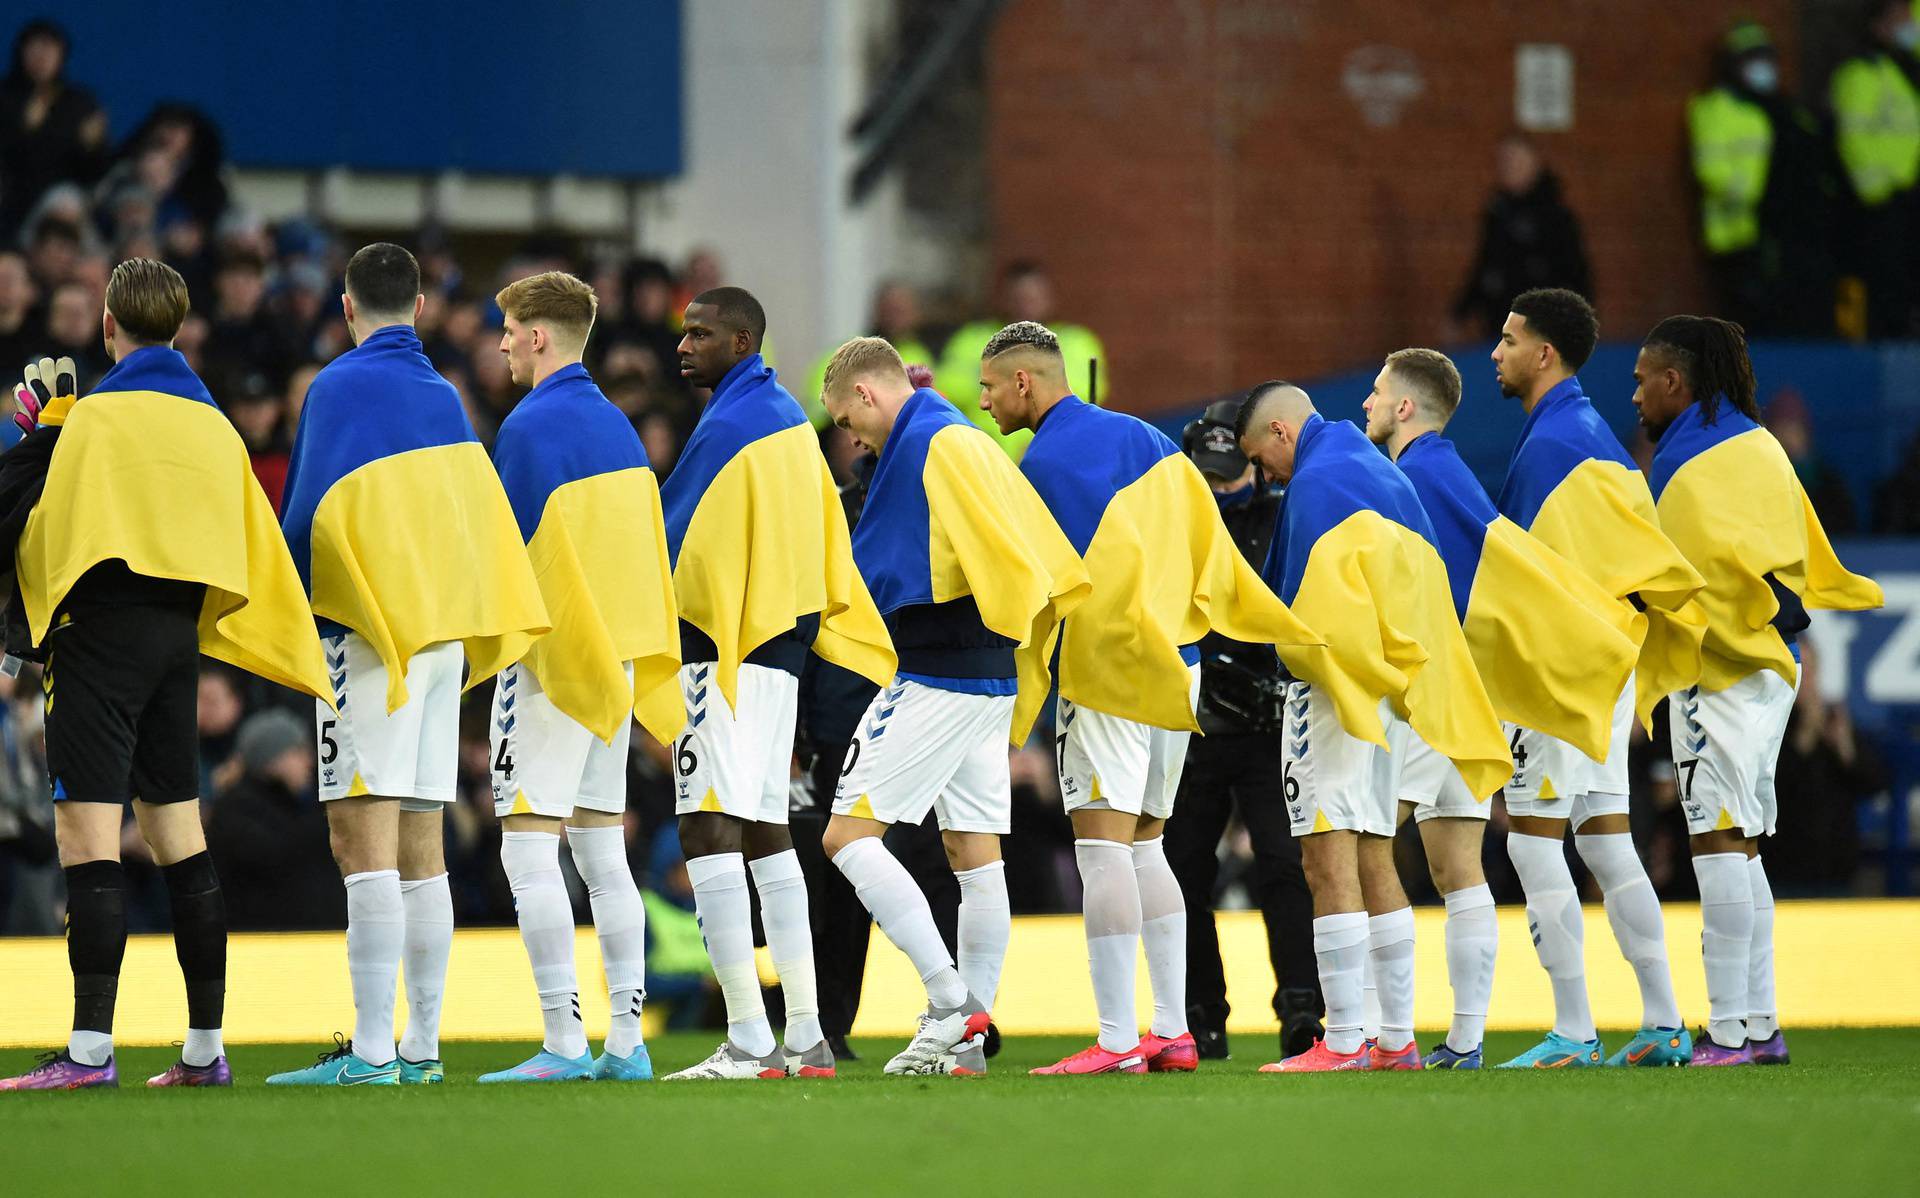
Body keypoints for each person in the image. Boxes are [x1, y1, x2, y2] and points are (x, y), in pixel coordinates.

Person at [0, 258, 332, 1091]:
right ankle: (203, 1050)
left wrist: (39, 438)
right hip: (175, 643)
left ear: (109, 327)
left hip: (97, 636)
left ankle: (87, 1051)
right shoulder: (215, 426)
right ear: (179, 327)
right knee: (180, 836)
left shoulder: (95, 422)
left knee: (87, 842)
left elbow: (24, 527)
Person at [977, 321, 1324, 1076]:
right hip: (1180, 664)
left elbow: (1037, 583)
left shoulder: (1049, 461)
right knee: (1147, 846)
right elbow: (1213, 553)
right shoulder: (1151, 440)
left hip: (1112, 669)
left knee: (1102, 849)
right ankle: (1171, 1029)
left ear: (1025, 382)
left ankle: (1115, 1038)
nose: (985, 403)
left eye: (990, 386)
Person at [267, 243, 549, 1087]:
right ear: (421, 306)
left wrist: (290, 616)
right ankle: (421, 1049)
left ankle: (370, 1052)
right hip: (442, 643)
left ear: (347, 309)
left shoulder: (336, 388)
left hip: (372, 640)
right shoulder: (445, 396)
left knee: (361, 838)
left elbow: (310, 515)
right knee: (423, 843)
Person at [1362, 348, 1642, 1068]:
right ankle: (1463, 1039)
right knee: (1459, 868)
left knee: (1361, 849)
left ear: (1404, 409)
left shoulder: (1414, 475)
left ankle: (1370, 1033)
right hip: (1465, 690)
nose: (1365, 403)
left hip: (1431, 690)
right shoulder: (1445, 470)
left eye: (1376, 393)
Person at [816, 336, 1087, 1076]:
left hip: (942, 672)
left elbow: (992, 556)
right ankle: (966, 1043)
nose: (850, 436)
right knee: (974, 854)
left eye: (846, 419)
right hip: (985, 674)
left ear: (868, 395)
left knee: (845, 838)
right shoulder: (942, 436)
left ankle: (950, 1003)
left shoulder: (938, 443)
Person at [653, 286, 895, 1080]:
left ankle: (752, 1039)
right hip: (778, 655)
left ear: (743, 339)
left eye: (701, 334)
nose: (685, 346)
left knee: (706, 828)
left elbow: (682, 539)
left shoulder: (734, 421)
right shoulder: (786, 418)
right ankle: (804, 1035)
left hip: (723, 654)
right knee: (765, 830)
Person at [1235, 382, 1509, 1073]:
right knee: (1372, 853)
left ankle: (1346, 1039)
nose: (1265, 475)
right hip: (1394, 691)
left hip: (1337, 690)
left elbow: (1307, 611)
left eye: (1260, 458)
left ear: (1279, 431)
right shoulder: (1373, 468)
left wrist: (1303, 668)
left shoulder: (1319, 483)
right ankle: (1393, 1040)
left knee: (1325, 857)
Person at [1632, 315, 1882, 1064]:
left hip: (1723, 669)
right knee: (1740, 849)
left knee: (1717, 843)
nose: (1635, 392)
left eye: (1644, 377)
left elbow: (1680, 573)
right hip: (1767, 664)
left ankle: (1731, 1028)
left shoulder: (1693, 462)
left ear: (1677, 382)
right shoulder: (1757, 444)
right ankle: (1760, 1024)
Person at [1492, 287, 1708, 1068]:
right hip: (1607, 663)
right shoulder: (1586, 433)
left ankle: (1574, 1029)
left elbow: (1524, 575)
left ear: (1544, 353)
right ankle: (1663, 1022)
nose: (1496, 353)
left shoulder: (1554, 447)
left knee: (1532, 839)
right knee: (1607, 839)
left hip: (1565, 667)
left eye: (1509, 341)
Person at [475, 271, 683, 1084]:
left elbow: (505, 560)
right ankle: (626, 1045)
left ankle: (563, 1042)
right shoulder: (620, 430)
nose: (499, 344)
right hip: (615, 668)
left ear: (538, 337)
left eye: (509, 329)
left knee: (529, 855)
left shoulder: (528, 429)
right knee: (604, 859)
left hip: (553, 671)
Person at [1161, 398, 1322, 1062]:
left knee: (1285, 867)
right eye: (1209, 476)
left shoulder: (1284, 517)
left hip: (1265, 721)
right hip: (1195, 723)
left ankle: (1303, 1010)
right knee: (1179, 869)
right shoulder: (1175, 527)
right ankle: (1199, 1014)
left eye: (1230, 475)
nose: (1220, 488)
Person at [1688, 21, 1844, 336]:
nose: (1761, 67)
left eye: (1765, 57)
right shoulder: (1716, 108)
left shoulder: (1787, 110)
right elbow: (1712, 171)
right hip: (1743, 236)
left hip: (1794, 235)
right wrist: (1757, 198)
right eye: (1750, 59)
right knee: (1754, 320)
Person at [938, 263, 1107, 458]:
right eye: (1018, 298)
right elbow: (950, 387)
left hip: (1051, 454)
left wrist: (996, 382)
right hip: (981, 455)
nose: (1025, 304)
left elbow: (1082, 392)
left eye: (1032, 298)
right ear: (1004, 300)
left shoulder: (1076, 341)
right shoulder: (973, 338)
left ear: (1049, 299)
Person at [204, 709, 343, 931]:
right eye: (298, 751)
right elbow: (286, 853)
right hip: (265, 945)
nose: (309, 760)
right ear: (271, 758)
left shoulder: (302, 805)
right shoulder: (235, 811)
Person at [1831, 0, 1920, 337]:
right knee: (1885, 293)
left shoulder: (1902, 72)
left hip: (1906, 199)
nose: (1910, 24)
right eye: (1900, 19)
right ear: (1878, 25)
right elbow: (1852, 139)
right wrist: (1874, 192)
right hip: (1878, 204)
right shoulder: (1860, 74)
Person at [1451, 134, 1593, 341]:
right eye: (1504, 161)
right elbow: (1485, 265)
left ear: (1534, 163)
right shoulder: (1497, 212)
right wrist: (1460, 312)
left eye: (1516, 160)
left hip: (1542, 328)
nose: (1509, 167)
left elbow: (1576, 272)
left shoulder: (1555, 216)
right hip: (1501, 324)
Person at [0, 20, 107, 245]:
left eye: (49, 50)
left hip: (62, 198)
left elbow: (93, 172)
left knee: (66, 200)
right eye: (34, 50)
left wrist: (93, 145)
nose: (41, 58)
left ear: (61, 56)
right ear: (21, 53)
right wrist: (24, 130)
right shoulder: (6, 97)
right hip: (12, 201)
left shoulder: (79, 102)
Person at [803, 282, 933, 429]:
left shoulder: (918, 353)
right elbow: (820, 409)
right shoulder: (845, 355)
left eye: (904, 311)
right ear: (878, 311)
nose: (898, 318)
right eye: (892, 310)